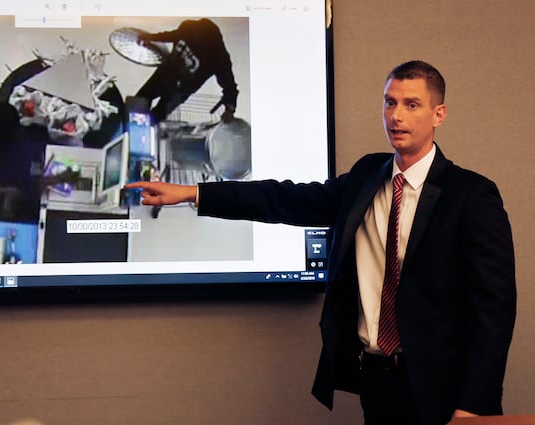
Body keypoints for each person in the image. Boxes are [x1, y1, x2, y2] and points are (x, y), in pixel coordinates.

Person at [124, 60, 516, 425]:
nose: (396, 116)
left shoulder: (471, 195)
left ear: (438, 114)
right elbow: (283, 199)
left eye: (412, 104)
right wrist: (193, 193)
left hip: (446, 391)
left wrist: (473, 405)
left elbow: (494, 311)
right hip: (378, 383)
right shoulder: (367, 176)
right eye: (390, 102)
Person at [135, 18, 239, 123]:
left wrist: (229, 109)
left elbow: (230, 87)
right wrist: (152, 37)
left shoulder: (219, 58)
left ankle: (146, 132)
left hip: (180, 90)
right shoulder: (188, 27)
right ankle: (130, 127)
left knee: (157, 115)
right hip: (164, 74)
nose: (196, 39)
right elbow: (172, 35)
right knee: (138, 101)